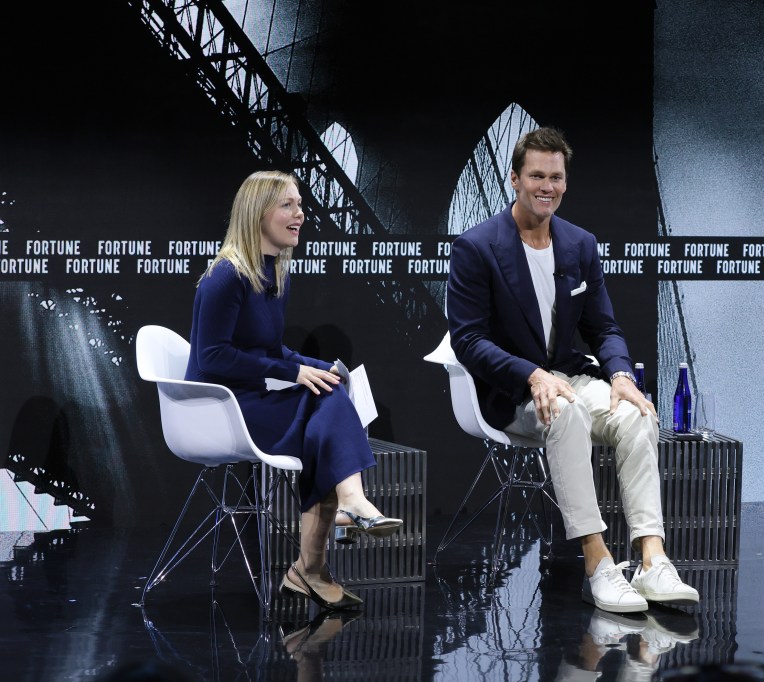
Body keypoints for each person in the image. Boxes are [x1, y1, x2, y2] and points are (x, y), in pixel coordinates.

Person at [446, 127, 699, 614]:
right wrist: (532, 376)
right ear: (515, 180)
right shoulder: (477, 248)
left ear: (565, 181)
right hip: (511, 390)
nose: (547, 186)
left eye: (556, 177)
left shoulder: (580, 244)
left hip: (568, 375)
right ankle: (598, 564)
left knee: (638, 414)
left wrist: (622, 376)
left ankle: (652, 560)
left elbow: (604, 328)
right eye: (536, 175)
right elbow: (469, 341)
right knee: (565, 413)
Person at [185, 170, 402, 610]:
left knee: (329, 396)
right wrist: (293, 374)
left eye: (299, 205)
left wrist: (318, 367)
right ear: (257, 213)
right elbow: (212, 359)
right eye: (288, 205)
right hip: (218, 408)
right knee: (322, 407)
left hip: (252, 400)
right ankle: (327, 541)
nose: (300, 214)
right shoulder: (226, 276)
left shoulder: (275, 273)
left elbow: (270, 348)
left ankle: (319, 556)